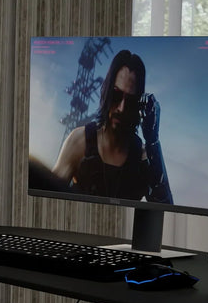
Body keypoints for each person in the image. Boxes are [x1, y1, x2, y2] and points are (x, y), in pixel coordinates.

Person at [46, 49, 172, 204]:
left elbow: (165, 207)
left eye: (130, 101)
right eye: (116, 95)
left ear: (137, 104)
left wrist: (153, 141)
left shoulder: (142, 157)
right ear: (107, 91)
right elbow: (47, 198)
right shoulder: (79, 142)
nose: (121, 108)